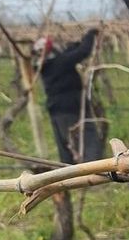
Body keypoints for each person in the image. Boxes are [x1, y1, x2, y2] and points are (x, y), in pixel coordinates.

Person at [34, 28, 105, 164]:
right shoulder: (60, 63)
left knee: (65, 143)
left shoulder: (45, 65)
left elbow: (68, 55)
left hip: (56, 109)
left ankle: (68, 172)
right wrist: (90, 35)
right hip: (71, 108)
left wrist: (75, 44)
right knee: (87, 139)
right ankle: (95, 171)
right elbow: (83, 52)